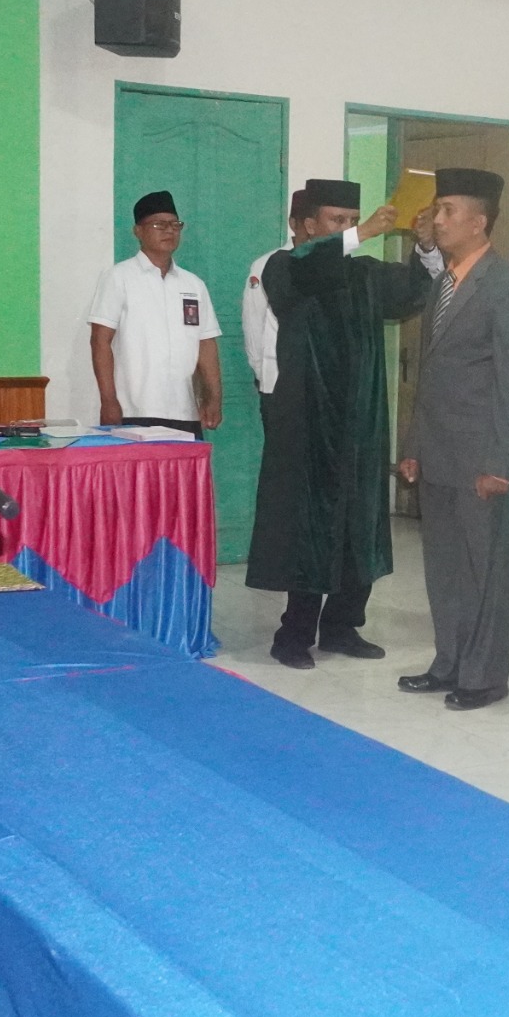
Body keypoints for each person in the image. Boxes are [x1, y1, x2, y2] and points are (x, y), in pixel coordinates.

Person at [244, 179, 414, 670]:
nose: (348, 228)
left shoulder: (363, 273)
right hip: (307, 424)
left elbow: (410, 294)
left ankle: (342, 627)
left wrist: (425, 248)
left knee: (358, 526)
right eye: (337, 220)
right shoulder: (283, 267)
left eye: (351, 220)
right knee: (308, 529)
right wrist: (364, 232)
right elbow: (308, 267)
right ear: (307, 224)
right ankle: (293, 635)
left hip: (360, 424)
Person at [397, 168, 509, 710]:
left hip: (482, 459)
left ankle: (484, 676)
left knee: (485, 572)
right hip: (438, 454)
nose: (437, 219)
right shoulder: (445, 284)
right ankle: (449, 662)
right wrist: (414, 447)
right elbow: (430, 375)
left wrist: (501, 463)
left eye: (448, 210)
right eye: (438, 209)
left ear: (479, 222)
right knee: (445, 568)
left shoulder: (508, 289)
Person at [89, 190, 222, 433]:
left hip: (185, 411)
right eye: (159, 224)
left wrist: (213, 397)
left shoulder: (193, 285)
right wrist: (108, 400)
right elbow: (100, 341)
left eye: (175, 225)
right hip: (134, 411)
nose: (169, 231)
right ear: (138, 231)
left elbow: (206, 344)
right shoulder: (119, 277)